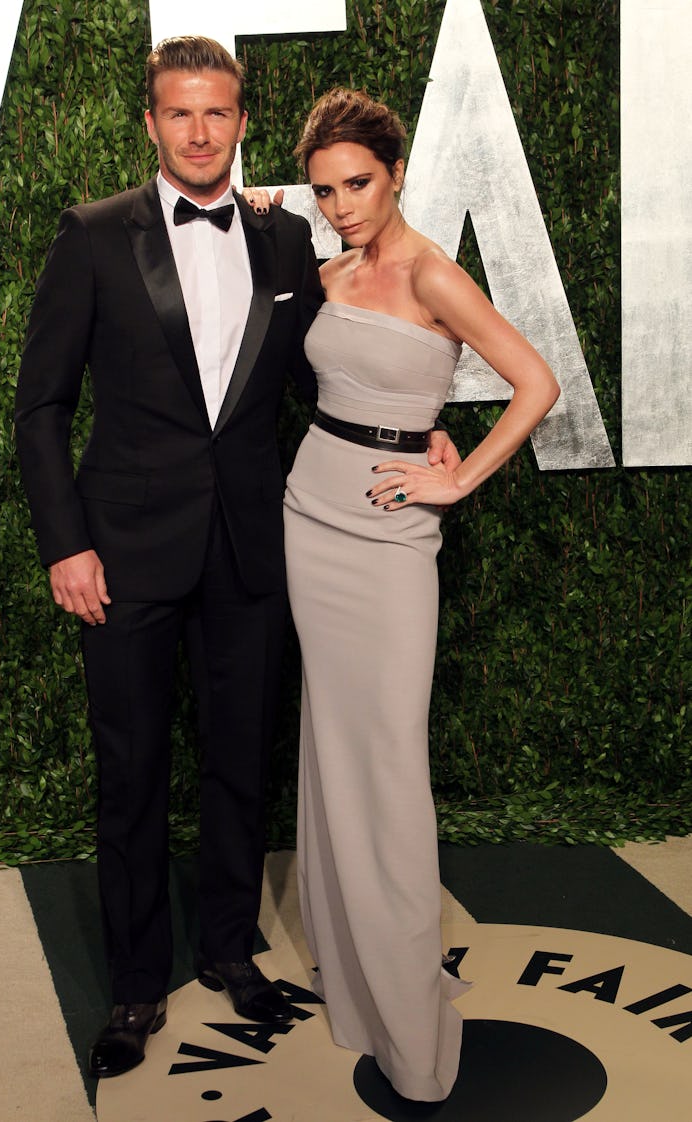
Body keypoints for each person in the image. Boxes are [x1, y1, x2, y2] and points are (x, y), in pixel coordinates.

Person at [14, 35, 327, 1078]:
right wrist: (68, 545)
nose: (200, 133)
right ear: (151, 124)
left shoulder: (286, 246)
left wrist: (413, 428)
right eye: (180, 115)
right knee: (132, 773)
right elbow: (41, 406)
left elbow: (319, 387)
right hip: (126, 553)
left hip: (248, 551)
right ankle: (138, 983)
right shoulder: (93, 236)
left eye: (219, 114)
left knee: (241, 766)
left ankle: (230, 947)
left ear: (243, 122)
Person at [280, 87, 561, 1102]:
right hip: (308, 515)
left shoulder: (432, 272)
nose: (344, 204)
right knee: (333, 745)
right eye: (324, 190)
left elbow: (535, 381)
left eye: (357, 182)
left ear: (394, 174)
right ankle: (355, 989)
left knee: (389, 762)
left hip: (393, 536)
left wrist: (452, 472)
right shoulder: (326, 268)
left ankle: (411, 1028)